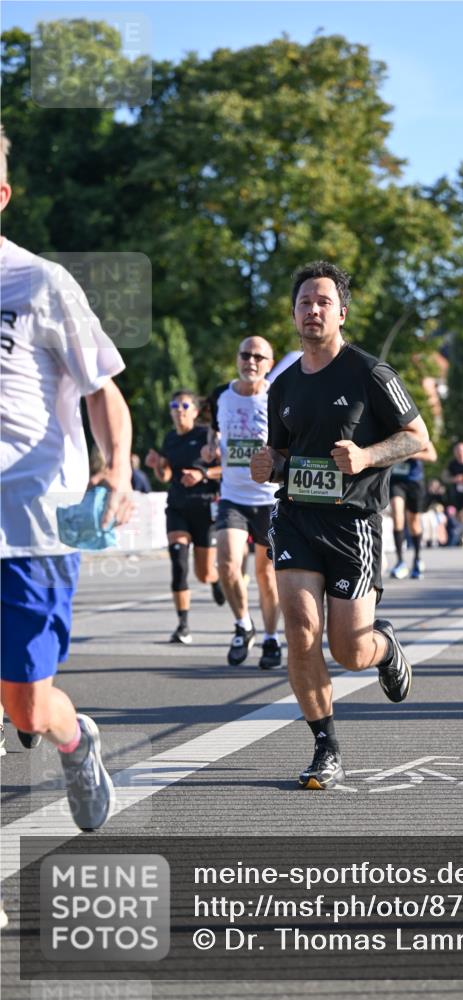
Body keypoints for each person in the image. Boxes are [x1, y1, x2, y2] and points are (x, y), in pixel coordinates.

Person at [250, 261, 429, 790]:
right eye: (304, 302)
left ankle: (385, 645)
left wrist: (369, 454)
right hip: (297, 519)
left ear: (342, 312)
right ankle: (325, 747)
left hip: (354, 524)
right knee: (301, 633)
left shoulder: (372, 374)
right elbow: (283, 456)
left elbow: (418, 437)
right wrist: (270, 466)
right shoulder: (281, 387)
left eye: (323, 301)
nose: (313, 310)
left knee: (349, 650)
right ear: (294, 313)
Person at [0, 125, 132, 831]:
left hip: (33, 525)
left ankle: (76, 740)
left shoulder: (39, 282)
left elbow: (101, 387)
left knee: (24, 704)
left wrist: (117, 464)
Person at [205, 337, 282, 668]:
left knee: (266, 575)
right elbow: (213, 431)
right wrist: (210, 449)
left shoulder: (277, 397)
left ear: (269, 363)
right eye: (245, 355)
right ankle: (242, 625)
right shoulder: (221, 394)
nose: (250, 361)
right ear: (237, 358)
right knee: (226, 566)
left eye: (258, 357)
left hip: (269, 499)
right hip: (233, 497)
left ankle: (270, 638)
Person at [145, 390, 224, 644]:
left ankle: (215, 579)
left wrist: (202, 475)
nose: (179, 409)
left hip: (204, 509)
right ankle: (183, 626)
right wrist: (158, 463)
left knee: (203, 574)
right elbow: (165, 476)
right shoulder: (169, 438)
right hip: (177, 507)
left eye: (185, 405)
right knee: (178, 563)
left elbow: (226, 468)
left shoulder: (206, 435)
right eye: (174, 405)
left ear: (195, 411)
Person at [388, 442, 437, 579]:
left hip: (414, 482)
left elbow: (432, 456)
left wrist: (411, 453)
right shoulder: (391, 429)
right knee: (397, 515)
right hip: (396, 480)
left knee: (414, 523)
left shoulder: (416, 429)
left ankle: (417, 558)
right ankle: (400, 562)